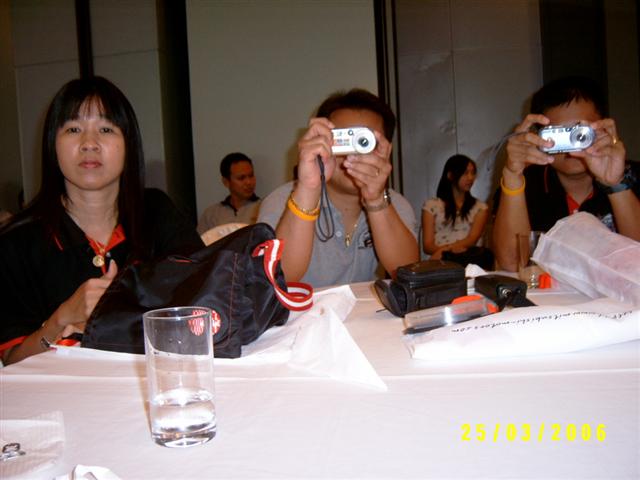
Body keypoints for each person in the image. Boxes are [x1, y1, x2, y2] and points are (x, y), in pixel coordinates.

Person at [0, 76, 203, 365]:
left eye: (106, 129)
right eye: (73, 129)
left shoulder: (156, 211)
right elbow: (13, 361)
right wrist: (61, 319)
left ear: (128, 144)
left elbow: (203, 295)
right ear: (52, 144)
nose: (89, 144)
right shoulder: (17, 242)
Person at [258, 88, 419, 288]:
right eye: (343, 140)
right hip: (304, 309)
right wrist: (309, 187)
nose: (352, 154)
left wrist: (376, 199)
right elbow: (278, 279)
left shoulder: (394, 204)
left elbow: (409, 274)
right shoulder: (281, 202)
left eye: (364, 142)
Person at [493, 76, 640, 271]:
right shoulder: (525, 184)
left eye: (580, 134)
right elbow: (512, 264)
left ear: (604, 128)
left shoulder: (633, 176)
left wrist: (617, 184)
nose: (572, 146)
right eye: (559, 134)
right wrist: (512, 175)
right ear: (538, 136)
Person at [421, 154, 492, 269]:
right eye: (465, 173)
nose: (470, 178)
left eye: (473, 173)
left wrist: (446, 250)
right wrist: (445, 252)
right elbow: (427, 246)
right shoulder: (431, 205)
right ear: (450, 175)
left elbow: (472, 240)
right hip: (439, 263)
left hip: (468, 262)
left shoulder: (480, 207)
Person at [197, 152, 260, 233]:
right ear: (226, 182)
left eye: (251, 176)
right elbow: (201, 240)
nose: (249, 182)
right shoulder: (211, 214)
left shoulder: (263, 208)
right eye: (241, 178)